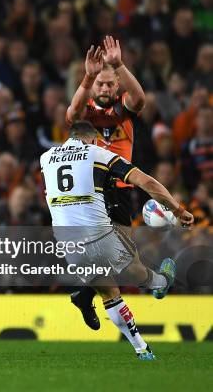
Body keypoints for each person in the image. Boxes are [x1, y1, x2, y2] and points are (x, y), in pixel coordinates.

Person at [40, 121, 194, 360]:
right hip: (100, 235)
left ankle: (142, 348)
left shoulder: (46, 157)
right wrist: (177, 209)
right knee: (135, 271)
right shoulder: (98, 153)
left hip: (67, 242)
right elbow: (147, 182)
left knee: (110, 293)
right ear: (92, 139)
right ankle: (161, 283)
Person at [66, 35, 146, 330]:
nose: (104, 88)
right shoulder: (85, 109)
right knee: (120, 256)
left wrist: (119, 65)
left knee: (123, 258)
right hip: (94, 190)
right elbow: (71, 115)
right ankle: (86, 294)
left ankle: (85, 295)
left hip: (122, 188)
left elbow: (140, 99)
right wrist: (87, 77)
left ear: (117, 86)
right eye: (99, 83)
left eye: (109, 83)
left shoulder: (123, 108)